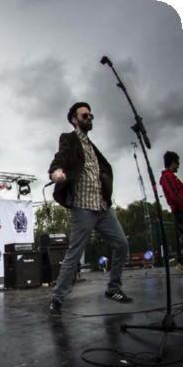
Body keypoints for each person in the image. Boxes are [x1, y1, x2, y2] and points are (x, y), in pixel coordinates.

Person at [47, 102, 131, 316]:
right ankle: (57, 299)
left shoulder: (92, 147)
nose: (89, 119)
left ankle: (113, 288)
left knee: (121, 244)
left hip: (102, 207)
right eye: (85, 116)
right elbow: (61, 156)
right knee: (74, 254)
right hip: (83, 208)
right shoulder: (69, 139)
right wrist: (56, 171)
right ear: (74, 119)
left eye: (91, 116)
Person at [159, 151, 183, 273]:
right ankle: (181, 263)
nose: (179, 165)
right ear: (172, 162)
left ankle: (181, 263)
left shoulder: (172, 177)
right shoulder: (167, 177)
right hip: (180, 211)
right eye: (177, 162)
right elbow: (174, 196)